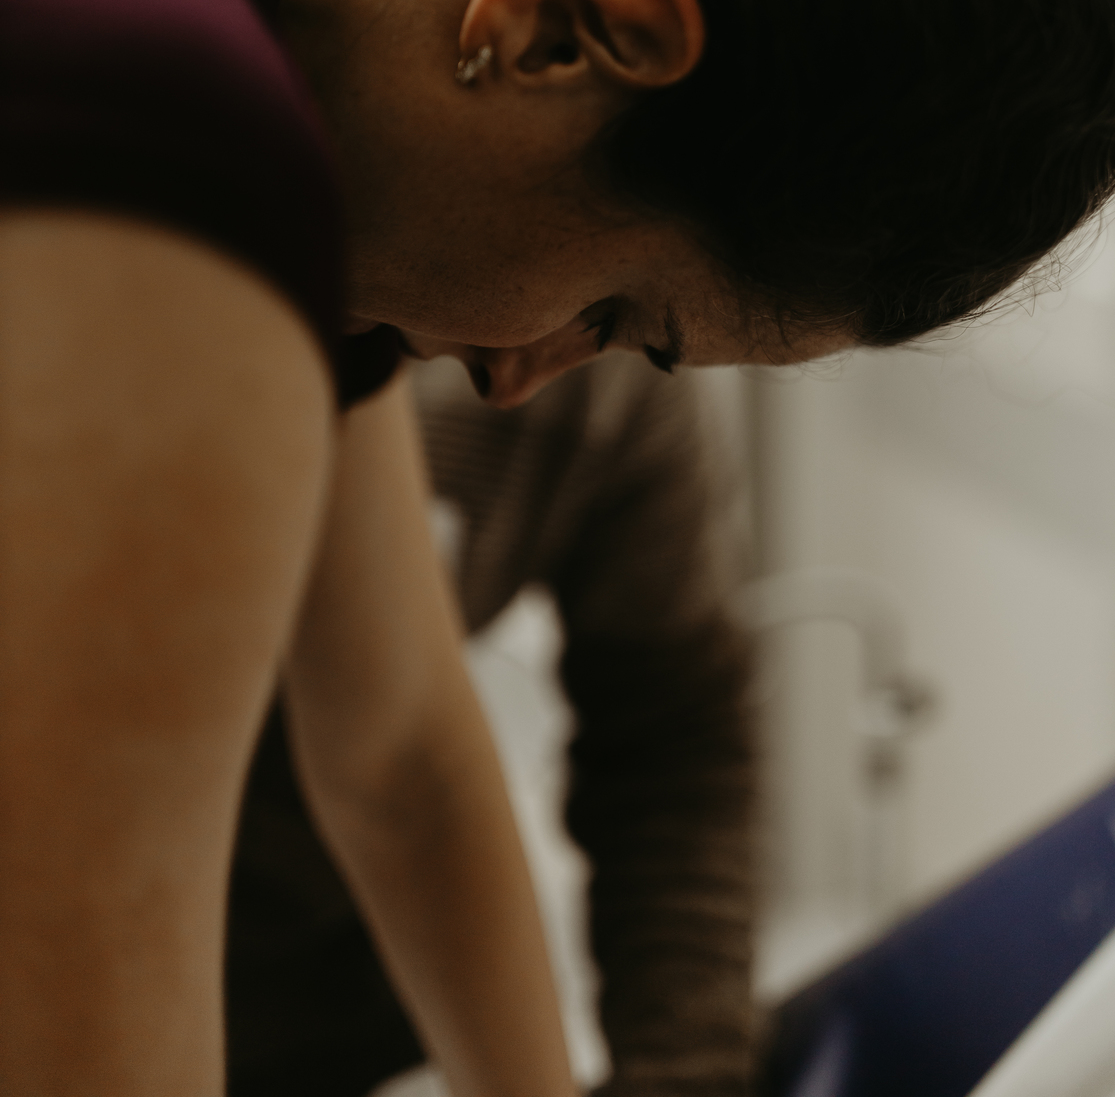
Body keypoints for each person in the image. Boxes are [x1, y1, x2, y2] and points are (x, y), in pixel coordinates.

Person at [0, 0, 1115, 1095]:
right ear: (564, 31)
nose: (516, 378)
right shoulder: (160, 119)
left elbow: (400, 753)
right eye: (621, 314)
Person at [227, 355, 755, 1097]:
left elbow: (408, 771)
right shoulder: (306, 340)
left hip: (341, 999)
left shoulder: (624, 385)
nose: (513, 377)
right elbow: (398, 772)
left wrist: (682, 1078)